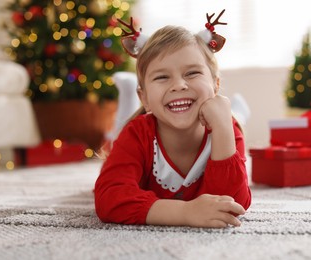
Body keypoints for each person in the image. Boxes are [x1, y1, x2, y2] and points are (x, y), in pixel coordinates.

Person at [94, 10, 251, 228]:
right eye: (162, 77)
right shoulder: (137, 133)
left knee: (236, 116)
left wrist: (224, 126)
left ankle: (238, 109)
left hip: (221, 116)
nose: (178, 85)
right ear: (145, 98)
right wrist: (185, 213)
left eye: (192, 73)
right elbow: (109, 198)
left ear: (215, 85)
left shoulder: (226, 127)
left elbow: (232, 204)